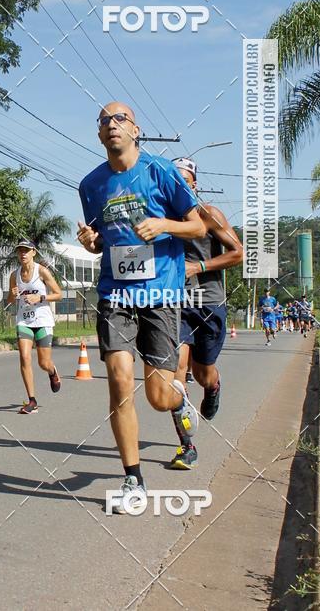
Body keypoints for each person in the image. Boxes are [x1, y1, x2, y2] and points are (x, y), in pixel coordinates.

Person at [77, 102, 206, 513]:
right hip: (116, 292)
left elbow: (199, 225)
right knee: (118, 380)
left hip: (160, 294)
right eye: (104, 121)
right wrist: (90, 241)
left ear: (136, 130)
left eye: (120, 119)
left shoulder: (161, 172)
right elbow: (101, 239)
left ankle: (179, 399)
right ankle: (133, 478)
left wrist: (165, 225)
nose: (112, 125)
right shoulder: (91, 185)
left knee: (158, 397)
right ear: (99, 135)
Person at [168, 157, 243, 469]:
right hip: (174, 305)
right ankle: (187, 446)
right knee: (176, 378)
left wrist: (197, 266)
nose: (179, 187)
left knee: (202, 374)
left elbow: (237, 253)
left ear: (194, 185)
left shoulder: (208, 214)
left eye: (184, 181)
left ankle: (213, 387)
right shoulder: (162, 219)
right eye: (173, 182)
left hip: (209, 303)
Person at [9, 239, 63, 414]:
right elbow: (10, 301)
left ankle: (52, 371)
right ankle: (32, 400)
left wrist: (40, 298)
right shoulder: (14, 275)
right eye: (20, 251)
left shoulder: (42, 271)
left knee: (43, 363)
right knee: (24, 357)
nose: (23, 253)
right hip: (24, 320)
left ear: (34, 252)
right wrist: (11, 295)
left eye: (26, 250)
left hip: (42, 320)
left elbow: (58, 294)